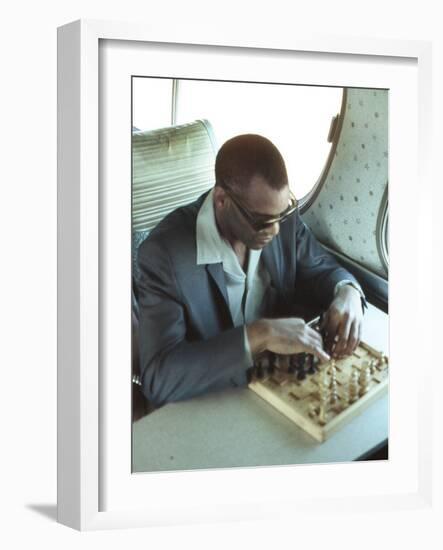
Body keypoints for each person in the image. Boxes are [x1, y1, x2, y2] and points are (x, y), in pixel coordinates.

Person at [136, 134, 366, 407]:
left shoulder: (279, 217)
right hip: (212, 399)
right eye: (262, 222)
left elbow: (322, 268)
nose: (276, 230)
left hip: (277, 385)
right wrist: (258, 334)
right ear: (221, 200)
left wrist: (348, 292)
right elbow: (159, 379)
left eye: (282, 215)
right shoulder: (164, 255)